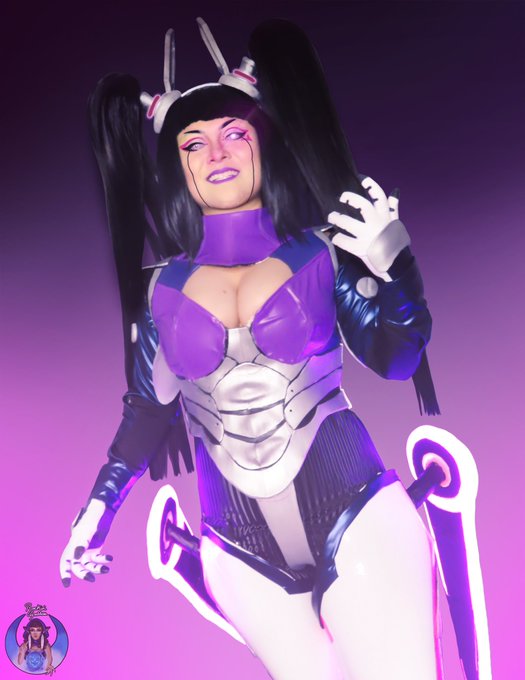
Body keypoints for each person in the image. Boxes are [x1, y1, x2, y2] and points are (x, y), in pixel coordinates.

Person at [60, 19, 441, 679]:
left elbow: (397, 357)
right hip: (237, 545)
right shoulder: (158, 292)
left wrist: (396, 262)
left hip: (355, 509)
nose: (216, 152)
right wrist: (95, 513)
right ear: (176, 165)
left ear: (263, 143)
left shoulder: (322, 254)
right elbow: (146, 414)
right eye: (194, 142)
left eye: (234, 133)